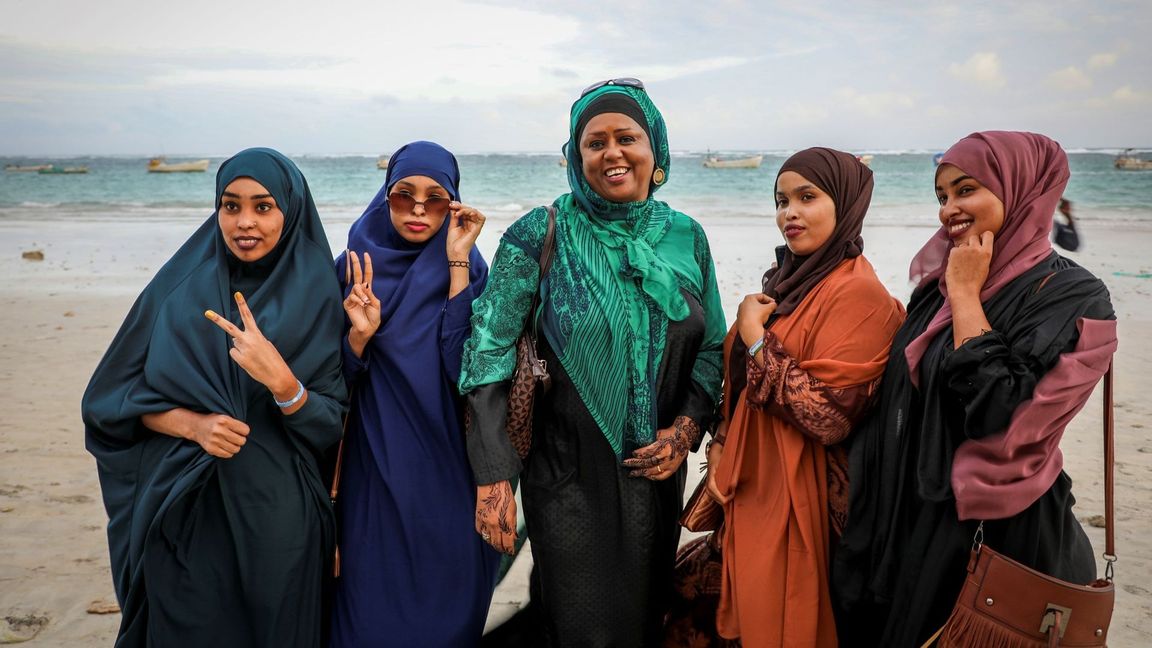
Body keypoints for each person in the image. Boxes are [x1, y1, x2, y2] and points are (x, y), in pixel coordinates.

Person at [459, 78, 727, 646]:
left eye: (627, 137)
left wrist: (684, 431)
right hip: (565, 476)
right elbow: (487, 352)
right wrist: (492, 477)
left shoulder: (687, 237)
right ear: (575, 157)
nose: (612, 153)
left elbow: (710, 348)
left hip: (656, 474)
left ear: (655, 150)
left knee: (643, 619)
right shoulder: (539, 232)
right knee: (583, 624)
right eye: (594, 142)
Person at [832, 131, 1117, 647]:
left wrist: (967, 294)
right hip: (906, 518)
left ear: (1022, 188)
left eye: (965, 190)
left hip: (990, 537)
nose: (949, 209)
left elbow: (1004, 417)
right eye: (941, 196)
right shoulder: (933, 290)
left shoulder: (1073, 294)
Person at [82, 148, 347, 646]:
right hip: (187, 509)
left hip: (280, 522)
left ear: (290, 211)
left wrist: (284, 384)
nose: (245, 222)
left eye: (263, 206)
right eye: (231, 205)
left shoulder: (319, 294)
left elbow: (330, 425)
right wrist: (191, 424)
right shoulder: (179, 290)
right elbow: (108, 400)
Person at [694, 148, 904, 646]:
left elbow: (829, 418)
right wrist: (722, 440)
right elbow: (746, 393)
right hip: (756, 489)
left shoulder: (861, 296)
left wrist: (756, 338)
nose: (789, 212)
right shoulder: (791, 285)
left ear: (846, 204)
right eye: (781, 200)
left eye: (807, 197)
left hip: (807, 503)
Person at [328, 141, 500, 646]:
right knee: (364, 619)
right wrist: (358, 338)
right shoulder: (350, 270)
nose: (420, 209)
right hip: (373, 475)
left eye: (437, 198)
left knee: (448, 622)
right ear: (385, 197)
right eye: (404, 196)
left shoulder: (473, 270)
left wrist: (456, 267)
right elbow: (325, 383)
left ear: (455, 203)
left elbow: (465, 371)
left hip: (451, 475)